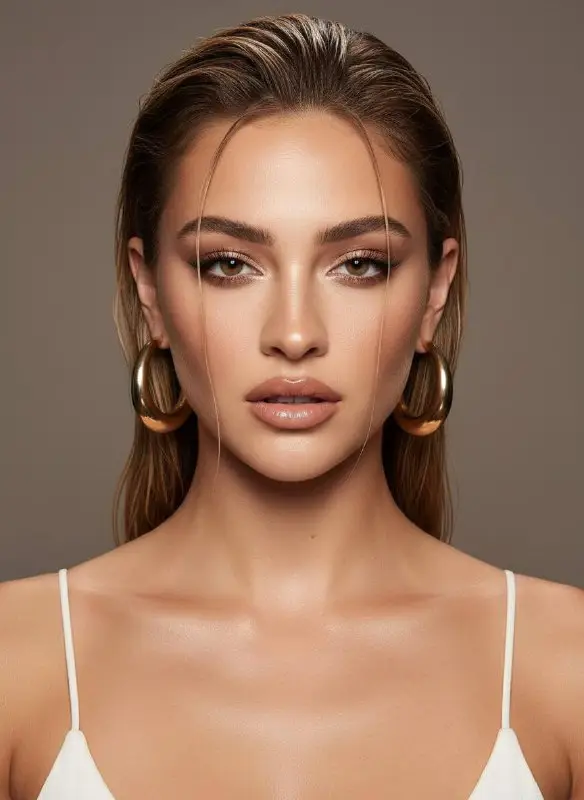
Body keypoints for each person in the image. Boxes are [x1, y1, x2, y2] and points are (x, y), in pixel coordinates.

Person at [0, 12, 582, 800]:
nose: (296, 333)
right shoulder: (17, 663)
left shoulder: (564, 668)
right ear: (149, 291)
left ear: (435, 291)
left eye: (361, 265)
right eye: (230, 263)